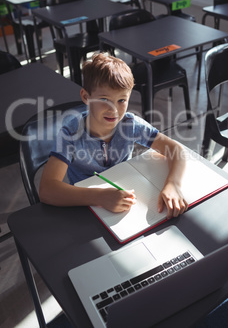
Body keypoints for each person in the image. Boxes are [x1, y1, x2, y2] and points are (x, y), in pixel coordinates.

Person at [39, 53, 188, 218]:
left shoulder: (129, 124)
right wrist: (99, 197)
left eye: (122, 100)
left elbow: (176, 150)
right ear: (86, 97)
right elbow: (47, 190)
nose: (114, 110)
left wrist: (173, 184)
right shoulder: (70, 134)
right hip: (84, 206)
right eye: (104, 99)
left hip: (124, 200)